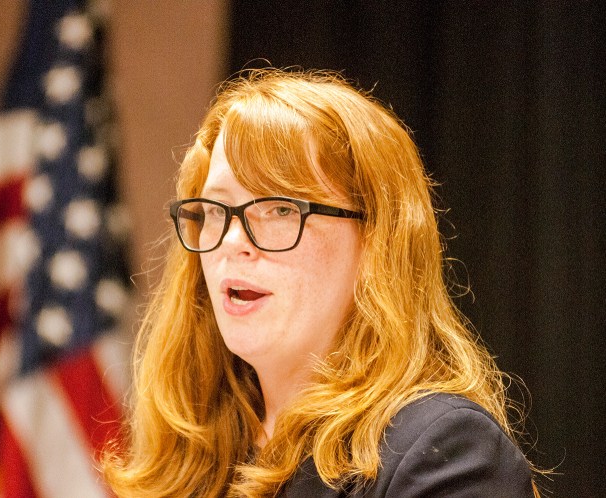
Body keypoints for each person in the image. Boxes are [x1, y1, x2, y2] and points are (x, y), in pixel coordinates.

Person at [102, 69, 540, 497]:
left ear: (377, 243)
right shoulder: (191, 461)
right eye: (217, 210)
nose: (234, 241)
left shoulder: (445, 452)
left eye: (280, 210)